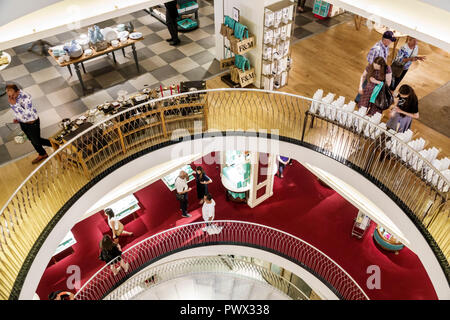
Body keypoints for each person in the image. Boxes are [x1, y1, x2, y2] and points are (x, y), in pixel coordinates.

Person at [6, 84, 52, 164]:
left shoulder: (25, 98)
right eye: (9, 96)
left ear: (18, 91)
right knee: (32, 140)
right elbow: (19, 112)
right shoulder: (13, 98)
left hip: (32, 124)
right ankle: (43, 153)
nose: (11, 97)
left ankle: (54, 145)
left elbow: (27, 114)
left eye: (12, 95)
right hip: (23, 122)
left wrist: (15, 105)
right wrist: (17, 118)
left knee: (36, 141)